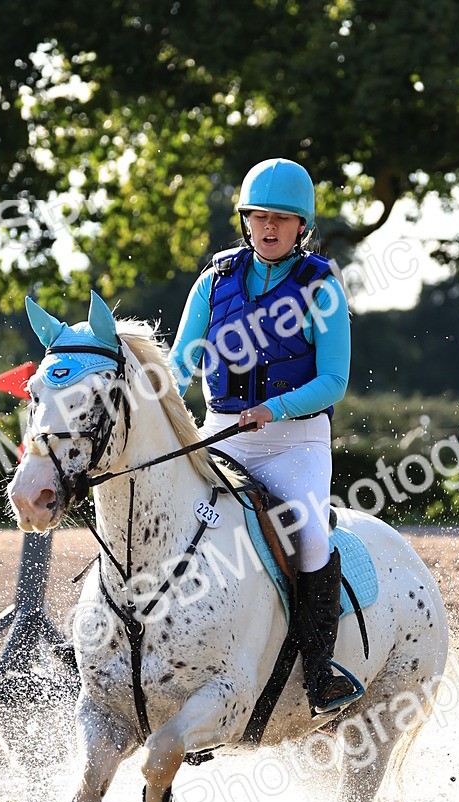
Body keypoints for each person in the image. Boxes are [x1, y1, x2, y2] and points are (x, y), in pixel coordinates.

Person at [168, 157, 362, 715]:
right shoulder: (215, 280)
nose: (269, 228)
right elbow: (183, 362)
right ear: (246, 220)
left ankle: (319, 672)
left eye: (282, 218)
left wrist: (272, 408)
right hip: (221, 435)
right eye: (259, 216)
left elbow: (333, 381)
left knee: (310, 536)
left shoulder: (321, 285)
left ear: (302, 226)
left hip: (293, 443)